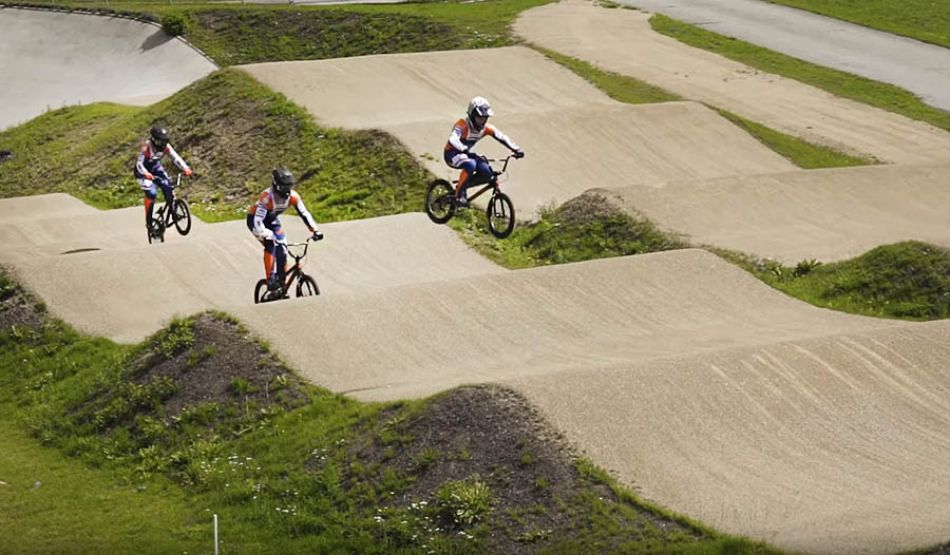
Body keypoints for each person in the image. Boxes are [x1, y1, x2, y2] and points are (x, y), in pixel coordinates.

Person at [246, 168, 323, 292]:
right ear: (276, 186)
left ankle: (281, 282)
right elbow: (258, 220)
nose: (287, 191)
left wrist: (315, 230)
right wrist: (266, 234)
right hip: (256, 221)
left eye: (289, 187)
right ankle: (270, 281)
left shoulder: (293, 196)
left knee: (283, 249)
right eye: (284, 187)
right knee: (271, 244)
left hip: (271, 220)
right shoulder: (267, 197)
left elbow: (304, 213)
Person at [443, 96, 524, 207]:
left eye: (485, 118)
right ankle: (459, 194)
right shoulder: (462, 124)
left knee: (487, 172)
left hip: (467, 154)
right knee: (470, 164)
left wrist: (516, 149)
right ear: (472, 115)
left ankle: (463, 185)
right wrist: (463, 149)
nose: (483, 121)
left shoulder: (486, 128)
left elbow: (501, 137)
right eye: (480, 118)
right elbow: (453, 139)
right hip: (451, 154)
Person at [135, 125, 192, 238]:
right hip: (143, 172)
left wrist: (185, 168)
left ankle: (173, 210)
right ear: (154, 140)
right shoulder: (146, 147)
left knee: (168, 187)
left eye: (164, 142)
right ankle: (149, 222)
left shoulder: (165, 146)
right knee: (152, 194)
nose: (163, 145)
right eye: (160, 142)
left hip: (156, 168)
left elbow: (175, 157)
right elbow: (139, 164)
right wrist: (146, 173)